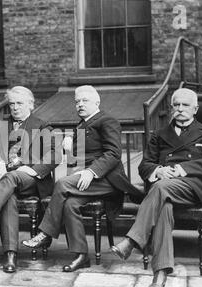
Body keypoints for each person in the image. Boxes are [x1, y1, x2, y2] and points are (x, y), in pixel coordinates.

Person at [110, 88, 202, 287]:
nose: (179, 109)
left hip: (194, 188)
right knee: (163, 208)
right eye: (176, 105)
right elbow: (144, 166)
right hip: (165, 190)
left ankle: (132, 240)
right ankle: (160, 273)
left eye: (185, 105)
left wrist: (183, 169)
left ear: (195, 109)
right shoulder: (160, 135)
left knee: (160, 188)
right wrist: (158, 170)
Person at [22, 85, 144, 272]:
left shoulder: (107, 120)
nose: (80, 104)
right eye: (77, 101)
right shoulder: (81, 125)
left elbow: (113, 154)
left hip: (108, 180)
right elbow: (78, 160)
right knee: (70, 204)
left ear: (97, 102)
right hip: (88, 182)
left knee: (62, 183)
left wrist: (90, 172)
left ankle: (45, 233)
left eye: (84, 100)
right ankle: (81, 256)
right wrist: (69, 148)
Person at [0, 86, 58, 273]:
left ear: (31, 105)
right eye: (11, 104)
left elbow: (55, 155)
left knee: (10, 178)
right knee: (8, 196)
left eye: (19, 103)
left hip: (33, 180)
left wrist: (33, 170)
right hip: (6, 182)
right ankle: (10, 254)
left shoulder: (42, 126)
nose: (15, 108)